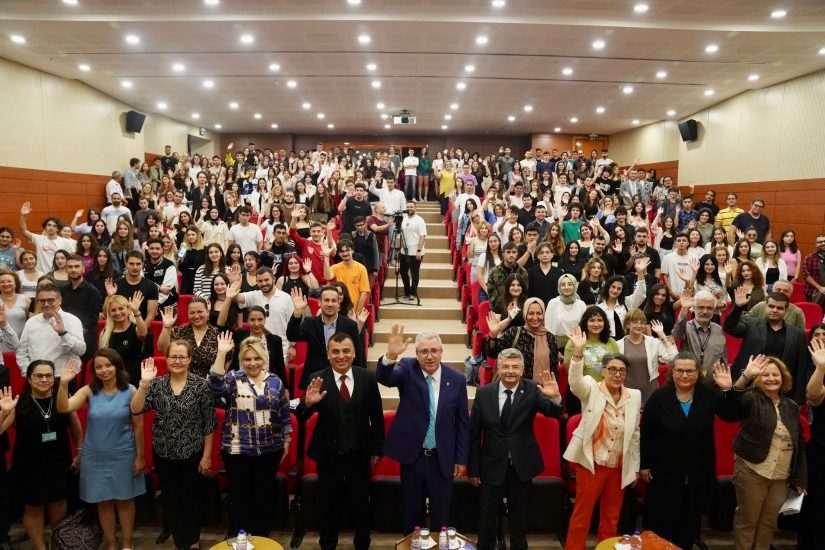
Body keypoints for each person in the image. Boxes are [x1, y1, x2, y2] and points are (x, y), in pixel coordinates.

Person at [376, 325, 470, 534]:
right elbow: (385, 378)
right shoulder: (407, 369)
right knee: (412, 515)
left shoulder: (456, 379)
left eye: (434, 351)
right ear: (416, 354)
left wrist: (461, 459)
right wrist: (390, 356)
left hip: (442, 458)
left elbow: (463, 423)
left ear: (441, 352)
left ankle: (438, 546)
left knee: (441, 517)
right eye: (424, 351)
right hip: (414, 458)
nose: (429, 356)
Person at [468, 348, 563, 550]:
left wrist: (555, 397)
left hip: (521, 466)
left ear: (522, 369)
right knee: (486, 520)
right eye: (506, 366)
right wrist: (474, 469)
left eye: (515, 367)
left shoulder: (532, 389)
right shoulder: (484, 393)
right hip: (491, 466)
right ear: (498, 368)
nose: (510, 371)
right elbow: (474, 435)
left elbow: (553, 413)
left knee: (519, 521)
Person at [639, 353, 734, 549]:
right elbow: (646, 433)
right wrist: (644, 465)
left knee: (689, 524)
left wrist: (727, 389)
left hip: (697, 471)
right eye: (680, 370)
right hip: (664, 471)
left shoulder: (708, 395)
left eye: (689, 371)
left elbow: (730, 414)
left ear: (698, 373)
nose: (684, 375)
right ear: (672, 373)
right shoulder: (659, 397)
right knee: (661, 521)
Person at [300, 333, 385, 550]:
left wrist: (377, 449)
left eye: (346, 351)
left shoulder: (367, 377)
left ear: (354, 353)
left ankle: (362, 544)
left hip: (360, 454)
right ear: (328, 354)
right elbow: (301, 417)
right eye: (335, 351)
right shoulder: (317, 378)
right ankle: (328, 545)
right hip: (328, 455)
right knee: (328, 505)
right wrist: (308, 404)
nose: (341, 356)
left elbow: (376, 416)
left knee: (361, 505)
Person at [130, 342, 217, 550]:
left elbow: (209, 423)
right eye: (173, 357)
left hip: (192, 452)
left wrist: (206, 456)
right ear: (166, 359)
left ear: (189, 359)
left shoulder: (201, 385)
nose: (177, 361)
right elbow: (136, 409)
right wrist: (143, 385)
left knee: (191, 499)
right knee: (171, 499)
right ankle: (180, 542)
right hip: (164, 453)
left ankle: (192, 540)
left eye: (182, 357)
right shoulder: (156, 384)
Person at [56, 350, 145, 550]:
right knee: (103, 501)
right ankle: (111, 542)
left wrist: (140, 456)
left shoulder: (130, 390)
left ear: (117, 366)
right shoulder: (89, 390)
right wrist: (63, 384)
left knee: (124, 500)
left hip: (123, 453)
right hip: (94, 456)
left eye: (108, 365)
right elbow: (64, 408)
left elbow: (138, 425)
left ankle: (127, 543)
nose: (104, 370)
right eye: (99, 367)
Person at [563, 327, 641, 550]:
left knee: (611, 518)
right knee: (582, 516)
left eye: (622, 371)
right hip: (591, 463)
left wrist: (634, 467)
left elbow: (635, 434)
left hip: (618, 466)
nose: (617, 374)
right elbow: (574, 383)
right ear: (603, 371)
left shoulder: (634, 396)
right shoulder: (591, 387)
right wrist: (578, 353)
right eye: (612, 369)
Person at [719, 354, 807, 550]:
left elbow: (798, 444)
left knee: (769, 522)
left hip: (781, 475)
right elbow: (730, 406)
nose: (771, 378)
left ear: (783, 378)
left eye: (775, 375)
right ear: (758, 378)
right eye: (765, 374)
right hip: (752, 470)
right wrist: (745, 377)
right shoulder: (751, 398)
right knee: (748, 520)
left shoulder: (791, 406)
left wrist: (800, 479)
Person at [209, 332, 292, 538]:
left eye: (256, 358)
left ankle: (261, 540)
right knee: (240, 499)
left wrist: (287, 439)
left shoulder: (275, 381)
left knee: (263, 499)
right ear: (241, 360)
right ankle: (241, 542)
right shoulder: (232, 379)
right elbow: (214, 386)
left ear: (264, 359)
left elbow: (284, 413)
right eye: (247, 359)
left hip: (270, 450)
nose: (252, 363)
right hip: (238, 451)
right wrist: (221, 354)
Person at [0, 360, 82, 550]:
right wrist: (4, 413)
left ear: (54, 378)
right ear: (29, 379)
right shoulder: (19, 403)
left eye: (48, 376)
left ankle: (57, 542)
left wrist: (80, 451)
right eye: (39, 376)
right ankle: (40, 547)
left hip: (58, 461)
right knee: (33, 506)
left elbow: (75, 426)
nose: (44, 379)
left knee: (58, 503)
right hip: (29, 464)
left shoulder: (62, 398)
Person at [724, 289, 810, 403]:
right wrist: (738, 308)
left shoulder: (798, 335)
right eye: (771, 306)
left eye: (779, 308)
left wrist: (798, 400)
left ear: (786, 310)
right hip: (749, 385)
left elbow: (801, 368)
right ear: (766, 306)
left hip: (780, 389)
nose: (774, 310)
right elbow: (729, 328)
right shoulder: (751, 324)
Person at [287, 286, 363, 389]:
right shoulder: (310, 323)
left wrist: (359, 383)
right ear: (319, 302)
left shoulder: (350, 325)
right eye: (326, 300)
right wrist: (297, 313)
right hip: (315, 380)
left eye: (333, 301)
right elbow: (292, 335)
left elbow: (358, 356)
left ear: (338, 304)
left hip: (342, 381)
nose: (330, 304)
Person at [16, 282, 85, 379]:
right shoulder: (31, 322)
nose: (46, 304)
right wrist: (28, 372)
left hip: (63, 377)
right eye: (42, 301)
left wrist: (63, 333)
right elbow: (21, 352)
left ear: (60, 300)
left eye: (50, 300)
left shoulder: (72, 320)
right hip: (36, 378)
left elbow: (81, 350)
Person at [485, 297, 558, 381]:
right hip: (514, 386)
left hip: (542, 387)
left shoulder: (550, 338)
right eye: (531, 313)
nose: (535, 317)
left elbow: (553, 369)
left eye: (539, 313)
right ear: (525, 314)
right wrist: (493, 335)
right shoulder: (515, 332)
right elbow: (492, 353)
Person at [233, 267, 294, 360]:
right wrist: (235, 283)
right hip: (256, 350)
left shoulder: (286, 298)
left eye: (266, 280)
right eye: (260, 281)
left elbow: (292, 324)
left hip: (282, 350)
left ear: (273, 279)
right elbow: (234, 297)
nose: (264, 283)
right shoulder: (254, 295)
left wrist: (292, 346)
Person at [617, 312, 677, 405]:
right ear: (628, 324)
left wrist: (662, 335)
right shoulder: (618, 344)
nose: (639, 325)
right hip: (627, 390)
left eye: (642, 322)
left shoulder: (653, 342)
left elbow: (674, 358)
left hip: (650, 390)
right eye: (635, 322)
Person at [801, 338, 825, 550]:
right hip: (821, 451)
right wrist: (821, 368)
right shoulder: (822, 369)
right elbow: (813, 396)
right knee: (818, 508)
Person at [158, 297, 221, 378]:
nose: (196, 316)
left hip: (209, 382)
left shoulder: (217, 335)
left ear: (207, 312)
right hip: (180, 379)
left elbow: (225, 364)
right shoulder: (179, 331)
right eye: (192, 313)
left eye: (200, 312)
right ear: (187, 314)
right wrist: (166, 327)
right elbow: (162, 349)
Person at [673, 290, 728, 378]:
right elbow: (676, 334)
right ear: (693, 308)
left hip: (713, 381)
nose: (705, 311)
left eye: (709, 308)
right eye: (701, 307)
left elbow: (722, 357)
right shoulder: (686, 327)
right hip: (689, 380)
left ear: (714, 310)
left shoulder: (718, 329)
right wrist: (684, 309)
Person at [60, 254, 103, 361]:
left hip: (85, 340)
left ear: (83, 269)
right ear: (66, 269)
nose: (73, 269)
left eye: (77, 266)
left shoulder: (93, 292)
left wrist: (74, 334)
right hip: (64, 338)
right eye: (70, 267)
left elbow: (92, 320)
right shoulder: (62, 290)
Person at [19, 201, 76, 270]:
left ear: (58, 229)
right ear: (45, 227)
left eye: (54, 226)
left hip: (57, 274)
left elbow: (71, 258)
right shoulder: (38, 239)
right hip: (41, 274)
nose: (51, 227)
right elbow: (24, 231)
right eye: (49, 225)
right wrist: (23, 216)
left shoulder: (65, 242)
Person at [324, 240, 370, 314]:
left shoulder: (361, 268)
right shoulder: (335, 267)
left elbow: (364, 293)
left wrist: (357, 313)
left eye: (347, 250)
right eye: (342, 251)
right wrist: (326, 257)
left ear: (352, 251)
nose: (345, 253)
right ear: (339, 254)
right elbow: (327, 277)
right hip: (339, 309)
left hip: (353, 310)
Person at [114, 251, 159, 322]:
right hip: (119, 325)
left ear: (143, 265)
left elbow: (151, 315)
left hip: (142, 325)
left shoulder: (151, 286)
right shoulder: (116, 284)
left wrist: (142, 328)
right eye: (131, 264)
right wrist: (110, 296)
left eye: (138, 264)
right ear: (126, 264)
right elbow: (108, 313)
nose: (135, 267)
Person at [545, 274, 587, 349]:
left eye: (570, 284)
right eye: (563, 285)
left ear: (574, 286)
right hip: (556, 345)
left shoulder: (581, 304)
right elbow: (547, 327)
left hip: (576, 344)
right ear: (559, 287)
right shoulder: (553, 303)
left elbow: (585, 328)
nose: (566, 287)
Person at [397, 201, 427, 303]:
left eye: (411, 207)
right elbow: (401, 234)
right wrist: (399, 248)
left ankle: (413, 293)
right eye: (408, 207)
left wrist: (419, 250)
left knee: (414, 273)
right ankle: (407, 292)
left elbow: (422, 236)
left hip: (415, 251)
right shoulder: (404, 219)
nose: (409, 208)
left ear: (415, 208)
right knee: (403, 271)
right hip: (404, 251)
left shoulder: (419, 220)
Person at [0, 271, 28, 337]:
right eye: (2, 282)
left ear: (16, 283)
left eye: (9, 281)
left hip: (21, 339)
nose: (6, 284)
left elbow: (28, 318)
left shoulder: (25, 299)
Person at [803, 234, 825, 306]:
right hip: (813, 292)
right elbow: (806, 275)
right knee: (813, 311)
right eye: (820, 242)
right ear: (816, 244)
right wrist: (820, 288)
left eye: (824, 241)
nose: (823, 243)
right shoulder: (809, 258)